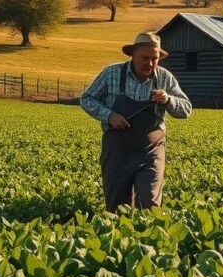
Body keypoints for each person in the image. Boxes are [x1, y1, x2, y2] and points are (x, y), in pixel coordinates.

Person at [80, 31, 192, 211]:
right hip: (117, 152)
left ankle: (148, 238)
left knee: (150, 204)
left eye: (154, 58)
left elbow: (186, 109)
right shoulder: (112, 73)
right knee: (117, 208)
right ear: (133, 54)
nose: (150, 63)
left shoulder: (165, 77)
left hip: (151, 152)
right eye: (145, 58)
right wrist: (109, 115)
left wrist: (168, 100)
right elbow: (86, 99)